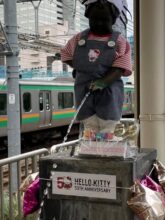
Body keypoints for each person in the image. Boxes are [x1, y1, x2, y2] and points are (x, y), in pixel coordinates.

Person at [60, 0, 132, 137]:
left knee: (109, 126)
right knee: (89, 125)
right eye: (94, 19)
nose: (99, 23)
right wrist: (79, 67)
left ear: (114, 19)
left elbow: (120, 68)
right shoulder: (79, 38)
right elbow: (66, 54)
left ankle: (107, 151)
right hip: (84, 91)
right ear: (88, 17)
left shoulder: (119, 41)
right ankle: (91, 149)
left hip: (109, 92)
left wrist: (104, 81)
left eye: (104, 20)